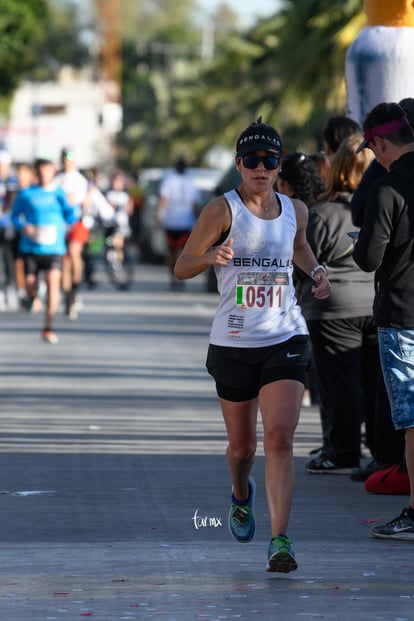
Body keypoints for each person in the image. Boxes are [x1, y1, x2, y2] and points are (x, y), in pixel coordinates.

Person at [174, 118, 331, 572]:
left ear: (279, 165)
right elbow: (182, 266)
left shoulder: (295, 209)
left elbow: (298, 246)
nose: (260, 168)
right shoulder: (220, 211)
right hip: (233, 341)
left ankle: (280, 540)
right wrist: (209, 256)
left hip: (285, 334)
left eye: (269, 160)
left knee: (280, 438)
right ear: (239, 164)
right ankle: (241, 495)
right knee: (242, 449)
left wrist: (316, 271)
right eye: (251, 160)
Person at [353, 101, 414, 539]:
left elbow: (369, 258)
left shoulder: (387, 190)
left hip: (402, 315)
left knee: (412, 424)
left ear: (379, 143)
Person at [299, 134, 377, 474]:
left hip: (332, 310)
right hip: (377, 305)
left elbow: (303, 261)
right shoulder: (385, 204)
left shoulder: (323, 213)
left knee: (339, 385)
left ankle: (342, 451)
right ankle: (380, 453)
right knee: (375, 386)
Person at [11, 156, 78, 343]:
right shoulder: (26, 194)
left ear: (52, 173)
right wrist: (24, 227)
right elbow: (15, 216)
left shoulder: (59, 194)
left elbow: (71, 216)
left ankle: (48, 326)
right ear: (36, 173)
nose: (43, 175)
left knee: (53, 283)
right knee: (30, 285)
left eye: (47, 171)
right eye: (40, 172)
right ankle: (34, 295)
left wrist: (73, 208)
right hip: (31, 247)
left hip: (54, 247)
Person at [276, 152, 325, 408]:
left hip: (305, 303)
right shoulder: (323, 209)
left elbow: (301, 252)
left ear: (282, 182)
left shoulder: (288, 213)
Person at [156, 156, 200, 290]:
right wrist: (198, 221)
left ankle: (172, 276)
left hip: (171, 222)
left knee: (171, 251)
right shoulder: (191, 183)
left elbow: (163, 199)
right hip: (186, 223)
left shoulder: (169, 181)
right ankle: (180, 276)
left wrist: (158, 216)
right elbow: (195, 206)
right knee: (181, 251)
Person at [54, 148, 89, 318]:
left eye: (70, 158)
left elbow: (77, 200)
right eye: (64, 158)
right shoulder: (57, 179)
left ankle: (76, 288)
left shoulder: (79, 180)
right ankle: (68, 296)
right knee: (64, 262)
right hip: (61, 225)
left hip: (77, 222)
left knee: (75, 253)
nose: (67, 161)